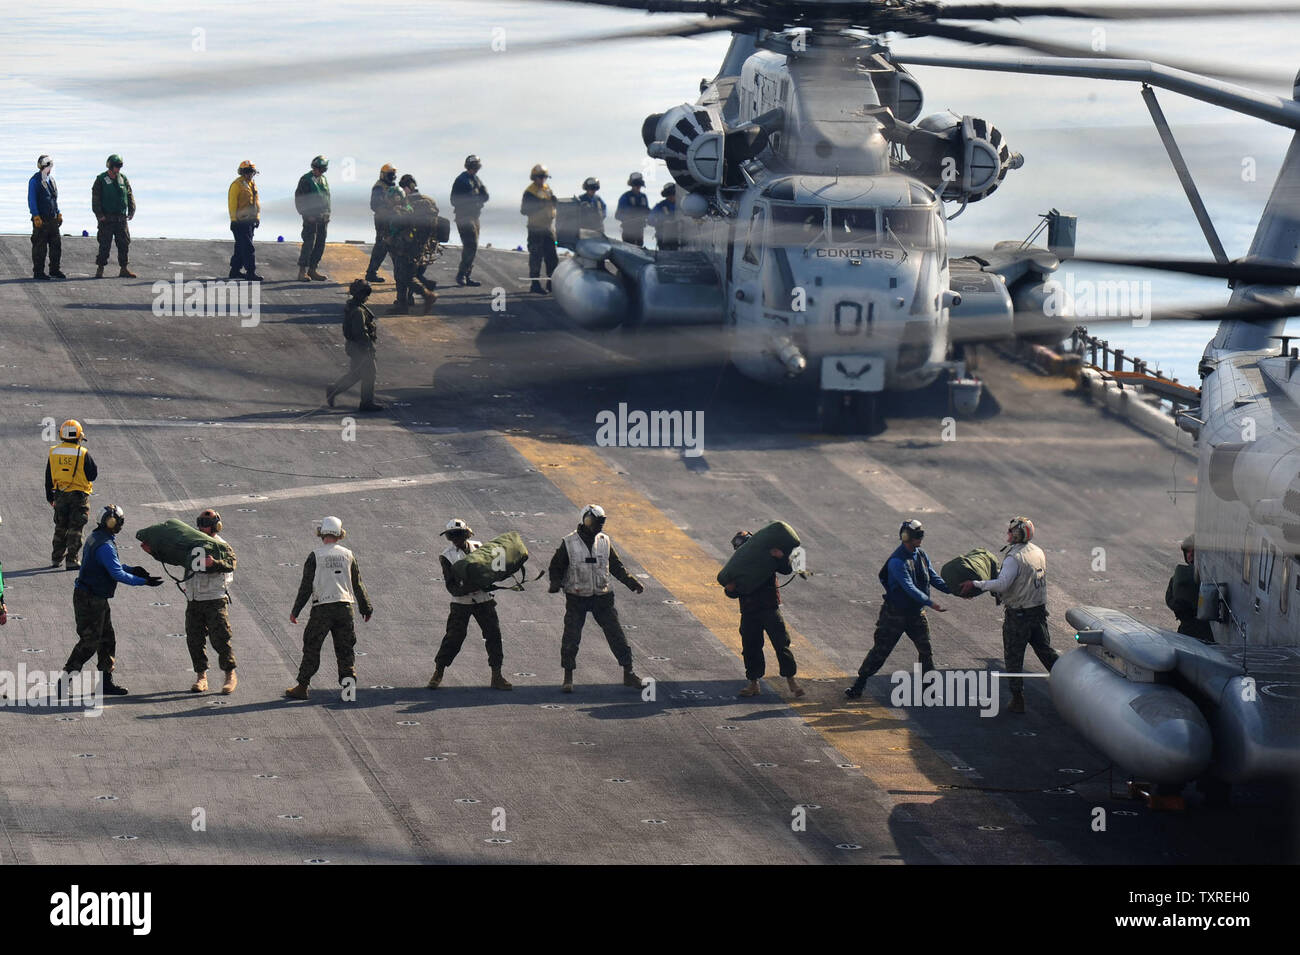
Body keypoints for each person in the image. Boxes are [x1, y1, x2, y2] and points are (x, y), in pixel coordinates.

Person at [62, 505, 164, 697]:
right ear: (112, 523)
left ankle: (105, 683)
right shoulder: (105, 545)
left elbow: (109, 566)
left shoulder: (97, 537)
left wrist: (133, 569)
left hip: (94, 597)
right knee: (90, 642)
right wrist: (144, 581)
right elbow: (117, 573)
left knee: (107, 639)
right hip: (91, 599)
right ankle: (65, 680)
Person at [960, 516, 1058, 714]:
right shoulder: (1038, 552)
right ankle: (1068, 684)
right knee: (1046, 652)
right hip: (1038, 613)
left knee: (1013, 658)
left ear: (1018, 534)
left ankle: (1017, 699)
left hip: (1019, 617)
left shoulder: (1014, 558)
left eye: (1011, 531)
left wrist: (976, 584)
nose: (1008, 534)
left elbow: (1003, 584)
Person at [845, 519, 950, 699]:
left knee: (926, 649)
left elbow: (934, 578)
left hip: (916, 614)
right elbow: (909, 587)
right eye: (917, 536)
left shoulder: (922, 555)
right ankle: (859, 683)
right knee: (881, 650)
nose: (920, 540)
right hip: (895, 614)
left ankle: (929, 688)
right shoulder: (897, 561)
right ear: (906, 537)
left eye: (921, 535)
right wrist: (930, 602)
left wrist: (955, 589)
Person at [547, 505, 645, 693]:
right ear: (585, 520)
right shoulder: (569, 543)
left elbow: (616, 567)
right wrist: (555, 583)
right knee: (571, 638)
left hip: (602, 596)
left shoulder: (605, 541)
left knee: (617, 635)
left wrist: (632, 583)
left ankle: (628, 672)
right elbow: (556, 567)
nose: (598, 526)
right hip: (577, 597)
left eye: (600, 523)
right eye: (594, 522)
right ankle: (568, 677)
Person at [286, 516, 373, 700]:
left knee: (312, 647)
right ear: (340, 534)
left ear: (321, 533)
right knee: (345, 649)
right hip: (345, 608)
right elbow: (357, 583)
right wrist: (366, 607)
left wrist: (296, 611)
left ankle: (302, 687)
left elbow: (306, 586)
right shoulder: (348, 555)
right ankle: (348, 692)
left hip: (322, 608)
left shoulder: (315, 555)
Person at [428, 519, 512, 691]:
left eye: (458, 534)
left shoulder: (479, 547)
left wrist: (489, 581)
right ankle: (438, 671)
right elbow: (451, 586)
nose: (456, 539)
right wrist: (469, 588)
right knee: (454, 637)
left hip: (483, 599)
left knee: (494, 636)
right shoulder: (447, 556)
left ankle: (497, 675)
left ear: (466, 534)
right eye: (452, 536)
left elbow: (491, 569)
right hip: (461, 602)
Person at [725, 530, 803, 699]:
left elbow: (786, 569)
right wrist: (730, 589)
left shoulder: (768, 557)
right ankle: (753, 683)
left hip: (769, 608)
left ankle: (791, 680)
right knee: (750, 648)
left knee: (782, 643)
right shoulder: (738, 565)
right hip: (749, 610)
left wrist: (780, 556)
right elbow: (731, 591)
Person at [185, 509, 238, 695]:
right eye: (200, 523)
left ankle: (230, 674)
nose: (202, 527)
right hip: (194, 598)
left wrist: (214, 563)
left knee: (221, 639)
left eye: (206, 524)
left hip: (214, 599)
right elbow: (176, 556)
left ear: (216, 525)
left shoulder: (222, 546)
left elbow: (232, 563)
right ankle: (201, 677)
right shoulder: (193, 545)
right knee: (194, 639)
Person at [46, 419, 98, 570]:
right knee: (76, 528)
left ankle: (56, 558)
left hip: (60, 495)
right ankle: (72, 560)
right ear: (79, 436)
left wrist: (50, 497)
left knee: (60, 526)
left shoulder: (54, 452)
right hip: (79, 496)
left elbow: (48, 476)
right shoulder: (83, 453)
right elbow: (92, 475)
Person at [326, 279, 384, 412]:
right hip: (361, 347)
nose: (367, 296)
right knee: (370, 374)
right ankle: (366, 403)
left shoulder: (355, 306)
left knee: (357, 374)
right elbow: (361, 333)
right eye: (365, 293)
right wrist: (369, 348)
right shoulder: (358, 311)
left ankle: (334, 389)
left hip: (355, 347)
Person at [388, 174, 438, 315]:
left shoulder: (404, 208)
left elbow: (398, 228)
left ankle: (427, 294)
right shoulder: (427, 201)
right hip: (422, 245)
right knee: (401, 275)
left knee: (405, 276)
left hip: (406, 247)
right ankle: (402, 304)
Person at [92, 154, 136, 278]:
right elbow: (95, 199)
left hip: (121, 219)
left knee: (124, 244)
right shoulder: (101, 179)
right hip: (106, 219)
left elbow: (129, 194)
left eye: (119, 167)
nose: (118, 169)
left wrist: (132, 209)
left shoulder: (123, 179)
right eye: (116, 166)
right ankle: (100, 268)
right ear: (110, 166)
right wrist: (99, 214)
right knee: (104, 244)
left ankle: (124, 268)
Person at [1165, 533, 1214, 643]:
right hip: (1188, 627)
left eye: (1194, 551)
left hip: (1207, 630)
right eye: (1188, 552)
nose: (1190, 555)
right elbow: (1169, 597)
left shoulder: (1210, 575)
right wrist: (1178, 605)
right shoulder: (1181, 576)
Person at [450, 155, 488, 287]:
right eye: (475, 166)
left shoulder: (475, 179)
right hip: (464, 217)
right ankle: (461, 275)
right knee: (470, 244)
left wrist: (479, 197)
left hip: (474, 217)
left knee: (473, 246)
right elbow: (454, 200)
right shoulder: (462, 180)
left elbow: (485, 196)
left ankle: (466, 275)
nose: (476, 169)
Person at [520, 163, 558, 294]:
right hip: (535, 228)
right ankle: (535, 284)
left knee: (552, 257)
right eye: (540, 177)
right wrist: (542, 204)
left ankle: (551, 283)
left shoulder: (547, 189)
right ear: (534, 178)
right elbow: (524, 210)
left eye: (544, 177)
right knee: (536, 256)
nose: (543, 180)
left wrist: (554, 202)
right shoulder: (530, 192)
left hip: (549, 228)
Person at [295, 155, 331, 282]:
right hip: (311, 218)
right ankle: (302, 271)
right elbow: (299, 199)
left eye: (320, 169)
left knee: (320, 244)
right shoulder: (306, 180)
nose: (317, 171)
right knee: (309, 244)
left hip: (323, 219)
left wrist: (328, 214)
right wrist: (306, 215)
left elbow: (327, 198)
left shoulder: (324, 180)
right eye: (316, 168)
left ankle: (313, 269)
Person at [28, 154, 64, 280]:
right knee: (40, 246)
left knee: (56, 246)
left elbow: (53, 199)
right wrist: (36, 215)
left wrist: (58, 212)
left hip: (53, 219)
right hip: (41, 220)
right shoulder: (34, 181)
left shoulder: (51, 180)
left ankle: (54, 270)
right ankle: (38, 271)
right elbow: (32, 200)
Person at [365, 164, 400, 282]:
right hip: (383, 221)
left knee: (393, 246)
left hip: (392, 220)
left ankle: (400, 274)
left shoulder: (392, 187)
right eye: (391, 174)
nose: (393, 177)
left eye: (394, 174)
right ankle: (371, 273)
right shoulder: (379, 187)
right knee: (382, 247)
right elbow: (375, 205)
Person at [227, 160, 262, 281]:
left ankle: (235, 271)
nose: (249, 174)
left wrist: (257, 217)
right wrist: (234, 220)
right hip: (239, 222)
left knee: (240, 247)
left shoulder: (252, 184)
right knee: (248, 247)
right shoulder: (237, 185)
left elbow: (256, 202)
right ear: (242, 172)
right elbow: (232, 204)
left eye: (251, 172)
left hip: (250, 222)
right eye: (247, 172)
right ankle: (250, 272)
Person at [615, 172, 650, 246]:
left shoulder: (643, 197)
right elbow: (618, 215)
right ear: (632, 185)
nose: (638, 187)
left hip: (640, 230)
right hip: (628, 230)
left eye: (639, 186)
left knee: (640, 249)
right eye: (636, 185)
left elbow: (648, 212)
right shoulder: (625, 197)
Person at [649, 183, 681, 251]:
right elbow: (650, 220)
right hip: (663, 239)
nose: (671, 196)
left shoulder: (683, 205)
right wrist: (661, 223)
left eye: (673, 194)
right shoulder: (660, 206)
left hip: (680, 238)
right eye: (669, 195)